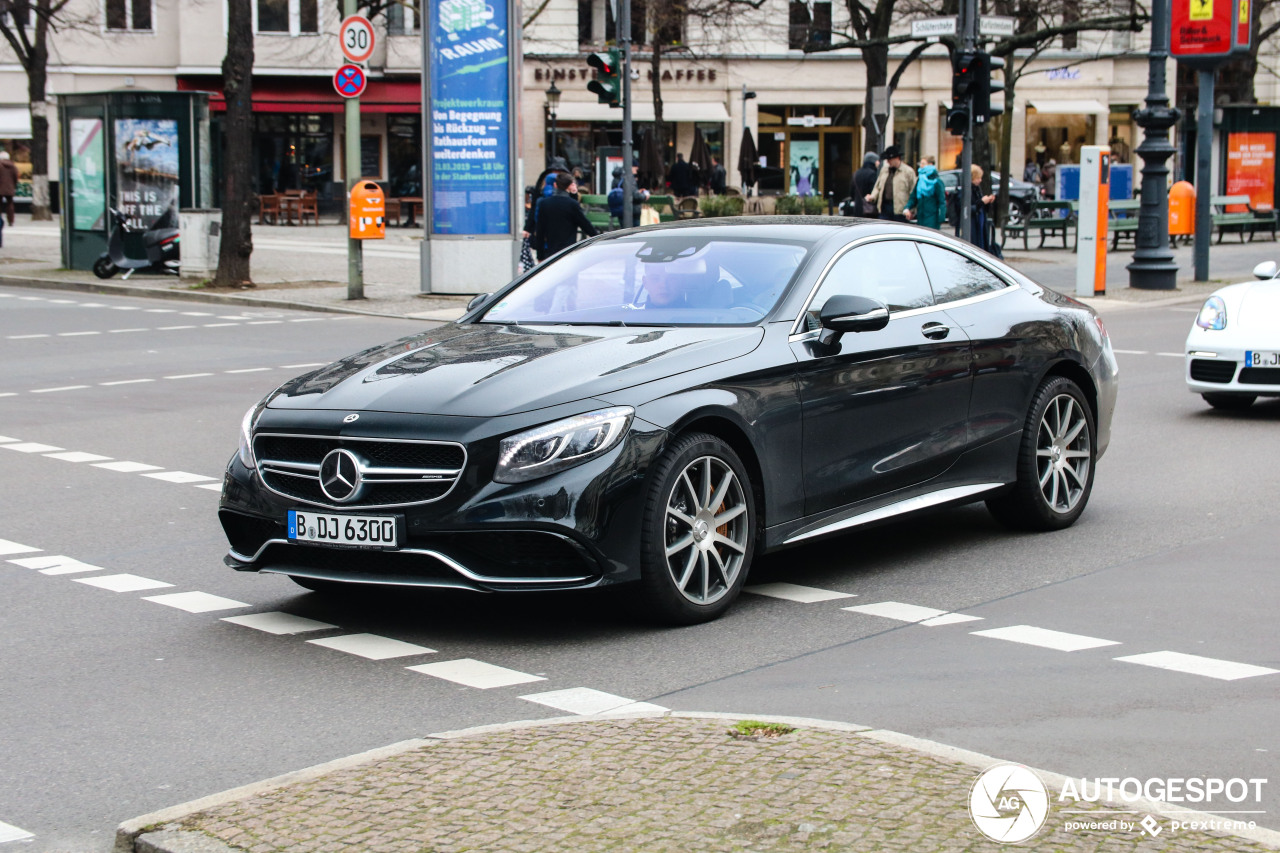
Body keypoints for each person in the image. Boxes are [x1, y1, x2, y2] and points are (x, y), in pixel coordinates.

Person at [532, 172, 598, 262]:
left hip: (551, 252)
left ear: (555, 185)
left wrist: (540, 256)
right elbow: (586, 226)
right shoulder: (572, 204)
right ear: (570, 186)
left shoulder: (544, 204)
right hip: (569, 251)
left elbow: (540, 231)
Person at [866, 145, 915, 223]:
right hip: (885, 207)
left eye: (890, 159)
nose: (888, 161)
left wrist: (911, 209)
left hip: (900, 209)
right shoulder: (884, 170)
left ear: (897, 158)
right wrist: (873, 196)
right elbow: (878, 187)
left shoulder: (908, 172)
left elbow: (913, 191)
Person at [956, 163, 998, 253]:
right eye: (978, 178)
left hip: (979, 222)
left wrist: (987, 202)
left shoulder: (977, 189)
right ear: (972, 178)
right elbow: (967, 209)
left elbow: (979, 206)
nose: (980, 180)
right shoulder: (966, 190)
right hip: (973, 224)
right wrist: (982, 202)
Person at [904, 156, 946, 230]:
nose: (921, 166)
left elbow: (941, 201)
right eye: (921, 163)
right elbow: (913, 197)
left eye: (923, 163)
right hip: (921, 218)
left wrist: (941, 218)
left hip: (932, 219)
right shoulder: (920, 180)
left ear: (930, 164)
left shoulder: (936, 182)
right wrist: (907, 208)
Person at [849, 152, 879, 216]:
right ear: (873, 161)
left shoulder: (856, 173)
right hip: (869, 209)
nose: (878, 163)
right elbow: (874, 191)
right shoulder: (873, 174)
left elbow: (851, 193)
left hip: (857, 208)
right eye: (877, 161)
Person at [0, 151, 18, 227]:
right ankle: (11, 221)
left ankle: (0, 220)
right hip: (10, 188)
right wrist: (13, 184)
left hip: (0, 188)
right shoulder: (13, 165)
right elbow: (16, 176)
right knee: (10, 204)